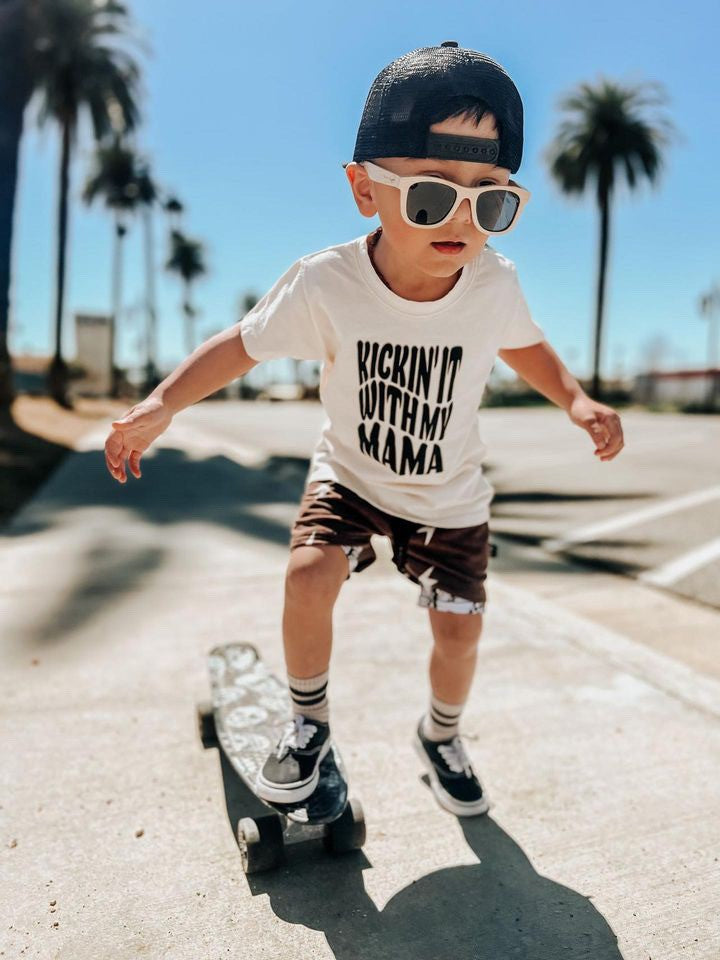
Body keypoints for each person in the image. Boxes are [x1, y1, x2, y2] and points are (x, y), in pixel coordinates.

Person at [104, 42, 624, 818]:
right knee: (308, 575)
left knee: (459, 635)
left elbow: (525, 345)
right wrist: (163, 403)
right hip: (350, 476)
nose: (462, 219)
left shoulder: (494, 284)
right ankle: (308, 722)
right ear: (364, 190)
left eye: (491, 202)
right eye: (430, 197)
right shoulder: (327, 283)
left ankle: (440, 735)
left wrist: (576, 400)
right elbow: (242, 345)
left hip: (450, 497)